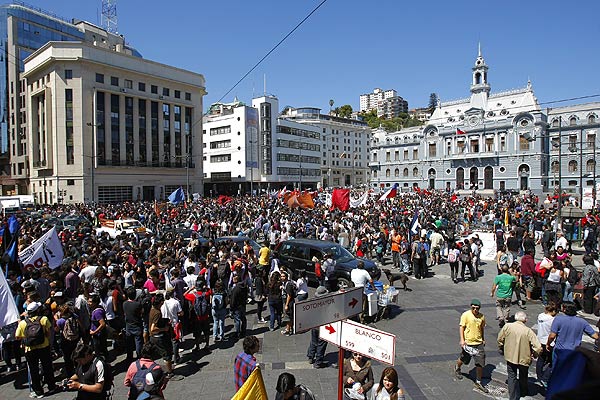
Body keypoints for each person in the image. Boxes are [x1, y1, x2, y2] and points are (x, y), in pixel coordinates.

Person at [15, 301, 58, 398]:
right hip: (44, 346)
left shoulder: (23, 323)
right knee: (47, 367)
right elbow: (48, 332)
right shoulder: (43, 319)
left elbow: (17, 336)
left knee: (33, 370)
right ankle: (52, 386)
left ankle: (38, 391)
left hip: (30, 349)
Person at [497, 311, 542, 400]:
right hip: (524, 358)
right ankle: (524, 391)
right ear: (525, 320)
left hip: (510, 356)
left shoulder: (508, 326)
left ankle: (512, 397)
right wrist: (535, 354)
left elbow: (500, 339)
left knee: (511, 376)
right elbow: (538, 347)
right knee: (523, 375)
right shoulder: (528, 331)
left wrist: (501, 347)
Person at [546, 302, 599, 372]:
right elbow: (595, 336)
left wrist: (548, 344)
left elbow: (552, 336)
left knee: (557, 371)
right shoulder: (582, 322)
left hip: (560, 351)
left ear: (564, 309)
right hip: (574, 352)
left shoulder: (558, 319)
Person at [454, 299, 489, 394]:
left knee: (480, 363)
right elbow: (462, 327)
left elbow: (481, 329)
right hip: (468, 343)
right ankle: (457, 367)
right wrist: (462, 340)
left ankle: (478, 382)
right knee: (464, 359)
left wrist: (483, 339)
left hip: (478, 343)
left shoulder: (482, 317)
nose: (475, 310)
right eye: (473, 308)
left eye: (477, 308)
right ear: (471, 307)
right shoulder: (466, 315)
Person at [147, 294, 175, 377]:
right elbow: (153, 328)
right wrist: (164, 329)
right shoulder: (157, 313)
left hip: (152, 337)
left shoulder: (152, 309)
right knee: (167, 355)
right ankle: (170, 373)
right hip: (158, 337)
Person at [184, 278, 212, 349]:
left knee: (197, 333)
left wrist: (191, 289)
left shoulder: (193, 296)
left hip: (196, 318)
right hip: (205, 317)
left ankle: (197, 346)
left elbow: (184, 295)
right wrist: (206, 287)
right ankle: (207, 345)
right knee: (206, 332)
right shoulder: (206, 294)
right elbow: (210, 291)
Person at [306, 286, 329, 369]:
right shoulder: (327, 303)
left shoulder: (313, 302)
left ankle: (310, 356)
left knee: (313, 341)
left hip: (314, 325)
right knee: (322, 344)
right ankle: (318, 361)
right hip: (323, 326)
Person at [535, 303, 557, 387]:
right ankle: (545, 377)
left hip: (540, 339)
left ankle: (539, 375)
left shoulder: (540, 316)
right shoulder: (552, 320)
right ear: (553, 311)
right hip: (549, 342)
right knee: (552, 361)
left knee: (541, 358)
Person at [123, 286, 144, 361]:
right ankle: (139, 356)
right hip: (137, 325)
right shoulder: (138, 304)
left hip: (128, 325)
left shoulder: (124, 304)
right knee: (138, 342)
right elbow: (142, 312)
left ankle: (129, 357)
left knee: (129, 342)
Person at [229, 275, 248, 340]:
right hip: (243, 305)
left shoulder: (236, 289)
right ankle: (243, 330)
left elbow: (233, 299)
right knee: (243, 318)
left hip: (237, 306)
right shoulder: (244, 286)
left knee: (237, 320)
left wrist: (231, 308)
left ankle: (238, 333)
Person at [280, 270, 297, 336]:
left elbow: (289, 295)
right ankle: (290, 329)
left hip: (289, 303)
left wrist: (286, 305)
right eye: (281, 276)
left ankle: (288, 330)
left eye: (283, 276)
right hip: (288, 302)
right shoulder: (285, 283)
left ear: (286, 277)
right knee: (290, 316)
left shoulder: (288, 284)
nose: (282, 277)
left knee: (288, 317)